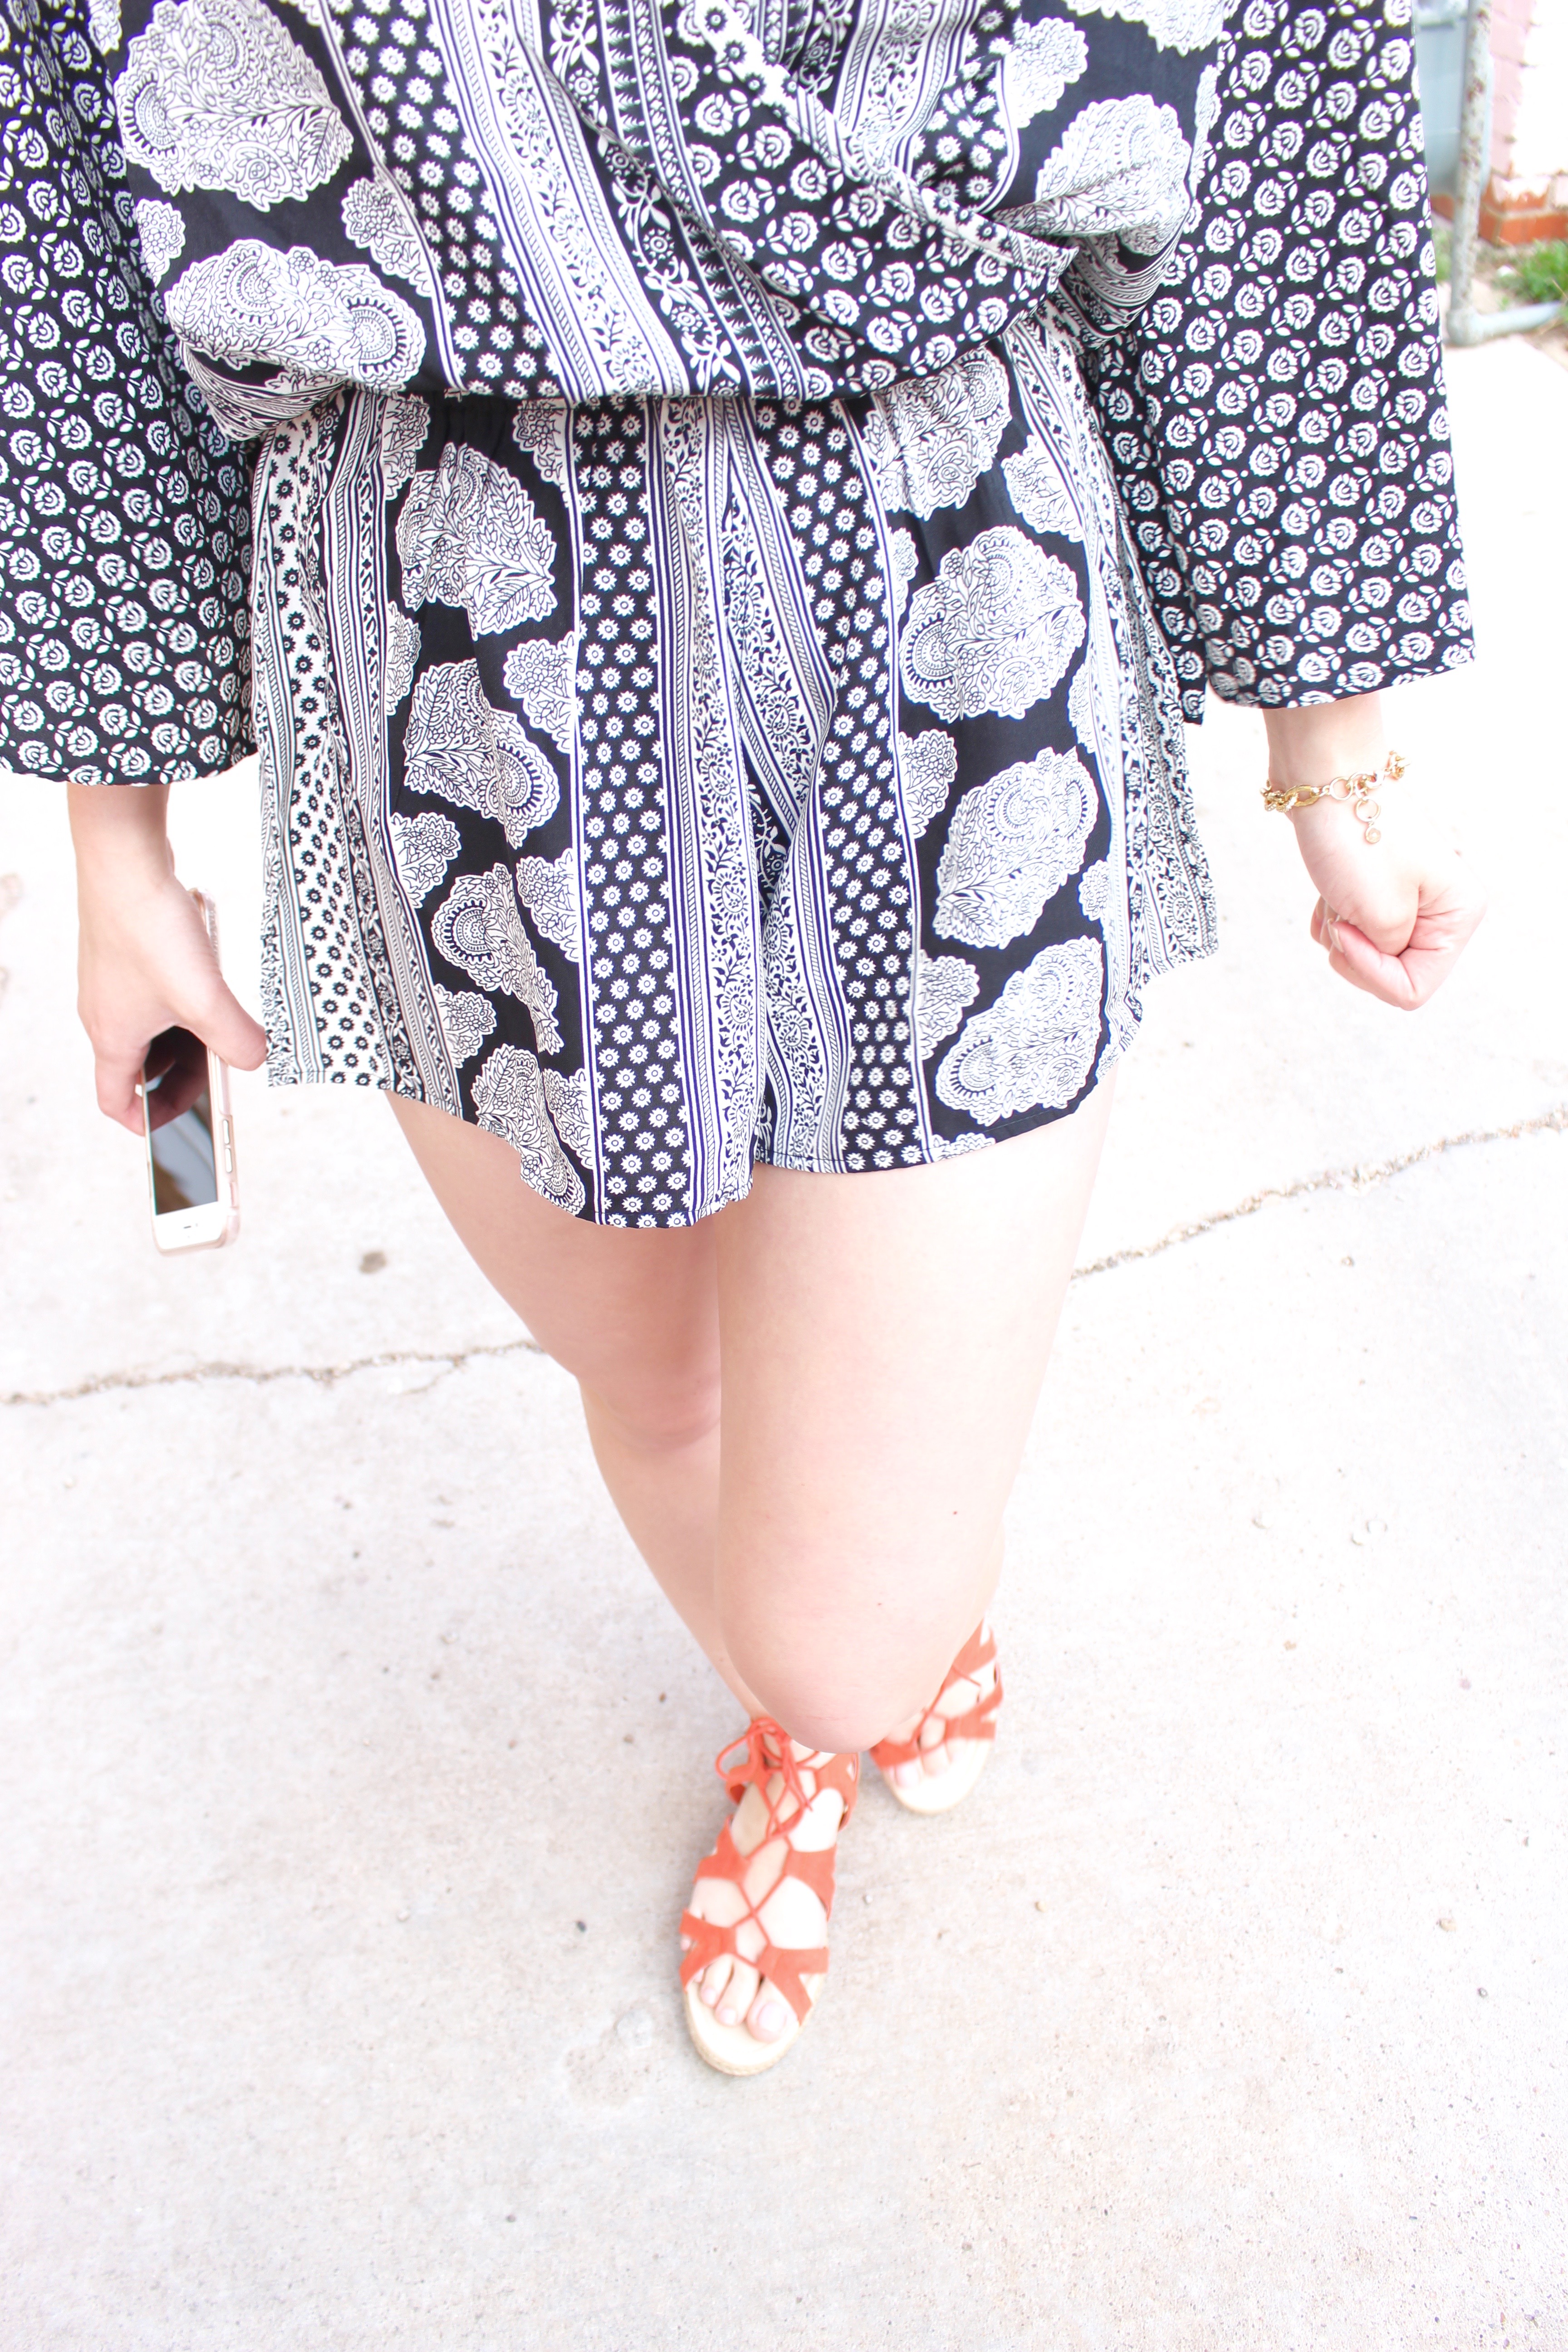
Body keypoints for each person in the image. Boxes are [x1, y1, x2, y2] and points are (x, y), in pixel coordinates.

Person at [4, 0, 1485, 2074]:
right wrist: (113, 838)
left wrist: (1338, 749)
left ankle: (835, 1682)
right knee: (654, 1368)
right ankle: (793, 1753)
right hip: (453, 654)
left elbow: (1270, 121)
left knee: (850, 1620)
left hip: (944, 596)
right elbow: (72, 195)